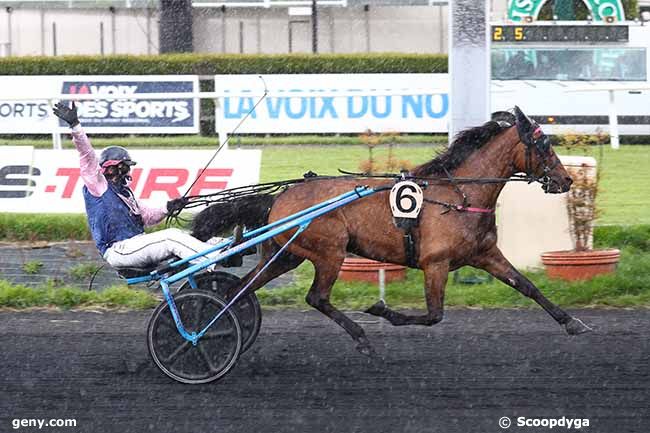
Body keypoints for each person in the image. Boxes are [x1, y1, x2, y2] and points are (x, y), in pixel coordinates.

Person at [53, 101, 225, 271]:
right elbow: (87, 155)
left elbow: (148, 217)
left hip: (136, 244)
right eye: (125, 166)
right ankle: (213, 259)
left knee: (184, 235)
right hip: (119, 250)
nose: (128, 171)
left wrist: (169, 207)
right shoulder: (97, 185)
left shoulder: (126, 193)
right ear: (112, 167)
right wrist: (75, 126)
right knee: (171, 237)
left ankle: (226, 247)